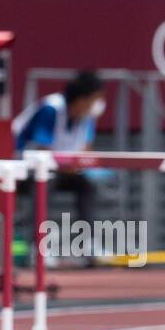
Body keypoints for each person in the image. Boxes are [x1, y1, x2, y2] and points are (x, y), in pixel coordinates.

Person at [14, 69, 105, 229]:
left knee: (87, 186)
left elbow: (86, 150)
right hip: (24, 168)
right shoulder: (51, 109)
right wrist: (70, 165)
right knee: (45, 182)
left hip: (62, 170)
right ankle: (37, 243)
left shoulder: (87, 116)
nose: (99, 103)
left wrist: (83, 165)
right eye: (95, 99)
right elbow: (42, 150)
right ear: (82, 99)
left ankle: (87, 243)